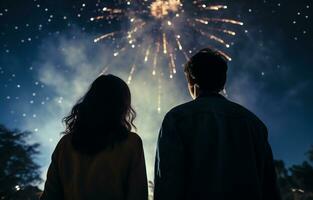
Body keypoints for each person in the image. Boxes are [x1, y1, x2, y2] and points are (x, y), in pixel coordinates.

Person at [154, 48, 281, 200]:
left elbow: (168, 182)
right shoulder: (254, 124)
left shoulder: (177, 118)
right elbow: (269, 187)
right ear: (222, 82)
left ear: (192, 79)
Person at [41, 74, 148, 200]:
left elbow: (50, 195)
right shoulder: (131, 143)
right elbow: (137, 193)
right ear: (122, 105)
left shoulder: (66, 144)